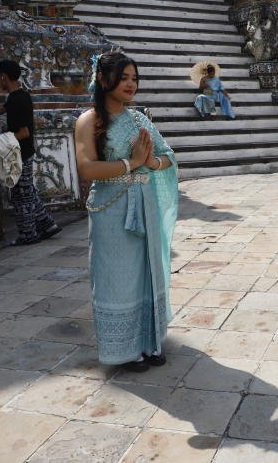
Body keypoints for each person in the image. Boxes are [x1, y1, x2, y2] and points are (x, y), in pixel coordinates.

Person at [74, 52, 178, 371]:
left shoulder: (138, 119)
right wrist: (130, 163)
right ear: (104, 79)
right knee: (117, 277)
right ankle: (123, 350)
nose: (131, 84)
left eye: (134, 78)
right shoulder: (89, 120)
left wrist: (150, 163)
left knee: (146, 273)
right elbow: (87, 168)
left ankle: (150, 341)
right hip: (111, 208)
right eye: (124, 77)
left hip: (143, 204)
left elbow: (167, 156)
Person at [0, 60, 61, 246]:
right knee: (27, 191)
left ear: (4, 76)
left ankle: (28, 234)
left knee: (20, 196)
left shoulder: (18, 99)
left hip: (21, 154)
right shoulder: (18, 96)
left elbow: (24, 132)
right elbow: (1, 109)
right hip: (24, 152)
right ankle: (48, 225)